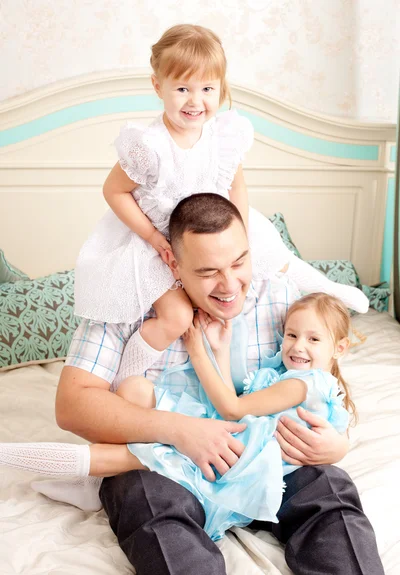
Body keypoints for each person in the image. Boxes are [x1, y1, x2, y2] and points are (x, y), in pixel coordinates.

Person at [0, 195, 388, 575]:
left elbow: (320, 371)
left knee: (331, 491)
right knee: (149, 502)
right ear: (173, 265)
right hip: (167, 465)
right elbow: (72, 405)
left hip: (263, 454)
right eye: (208, 272)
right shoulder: (119, 301)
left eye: (239, 262)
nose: (230, 285)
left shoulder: (280, 295)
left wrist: (336, 444)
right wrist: (181, 430)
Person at [73, 23, 368, 379]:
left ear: (221, 89)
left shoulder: (223, 136)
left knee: (275, 257)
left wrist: (240, 232)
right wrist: (153, 238)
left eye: (207, 89)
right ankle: (125, 377)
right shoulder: (149, 146)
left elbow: (236, 186)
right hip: (161, 240)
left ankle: (331, 288)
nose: (195, 101)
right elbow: (114, 191)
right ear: (158, 86)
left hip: (218, 230)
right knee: (177, 316)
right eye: (182, 88)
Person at [0, 293, 354, 543]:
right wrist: (221, 350)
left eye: (313, 339)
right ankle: (91, 478)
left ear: (339, 349)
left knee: (148, 454)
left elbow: (233, 407)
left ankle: (59, 469)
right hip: (240, 436)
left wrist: (199, 350)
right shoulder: (292, 374)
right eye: (291, 335)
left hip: (241, 452)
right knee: (136, 392)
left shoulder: (303, 384)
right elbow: (241, 395)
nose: (297, 346)